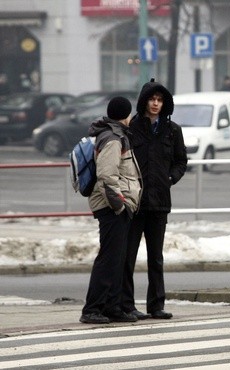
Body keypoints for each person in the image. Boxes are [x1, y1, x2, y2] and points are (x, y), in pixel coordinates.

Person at [122, 78, 188, 320]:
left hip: (160, 201)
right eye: (152, 99)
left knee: (156, 257)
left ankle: (156, 305)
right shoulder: (131, 128)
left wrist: (171, 177)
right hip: (135, 202)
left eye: (160, 100)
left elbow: (182, 161)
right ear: (144, 101)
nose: (156, 104)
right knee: (128, 257)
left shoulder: (173, 130)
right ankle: (127, 305)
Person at [80, 97, 142, 324]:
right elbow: (107, 176)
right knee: (108, 259)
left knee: (117, 258)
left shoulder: (112, 134)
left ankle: (112, 307)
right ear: (126, 115)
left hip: (114, 204)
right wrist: (119, 205)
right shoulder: (113, 139)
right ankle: (92, 309)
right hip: (111, 206)